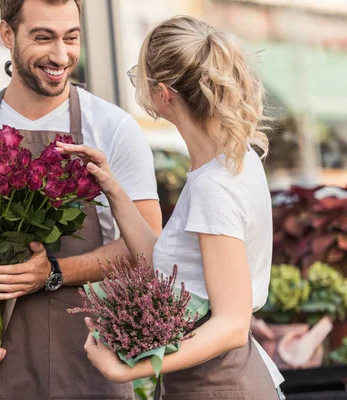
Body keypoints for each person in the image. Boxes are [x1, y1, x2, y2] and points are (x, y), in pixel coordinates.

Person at [0, 0, 162, 398]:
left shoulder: (113, 129)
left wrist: (55, 271)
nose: (60, 55)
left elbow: (146, 248)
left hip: (86, 367)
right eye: (43, 37)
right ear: (7, 34)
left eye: (71, 38)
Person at [56, 15, 285, 400]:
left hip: (222, 386)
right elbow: (172, 268)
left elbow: (230, 323)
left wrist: (126, 368)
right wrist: (111, 186)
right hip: (214, 382)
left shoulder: (214, 187)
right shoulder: (228, 161)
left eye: (138, 78)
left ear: (164, 94)